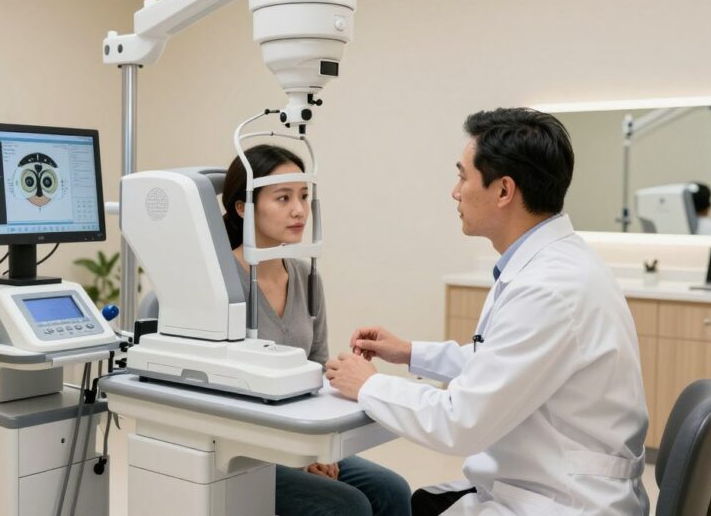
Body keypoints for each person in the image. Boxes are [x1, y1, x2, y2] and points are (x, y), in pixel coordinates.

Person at [324, 109, 650, 516]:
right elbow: (499, 363)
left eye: (463, 176)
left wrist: (368, 385)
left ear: (503, 191)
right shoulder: (552, 263)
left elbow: (460, 422)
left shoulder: (548, 288)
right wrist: (410, 352)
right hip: (545, 481)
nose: (455, 192)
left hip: (563, 501)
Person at [222, 144, 412, 516]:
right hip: (244, 446)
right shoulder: (221, 282)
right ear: (243, 208)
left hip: (298, 437)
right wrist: (294, 453)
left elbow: (316, 366)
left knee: (393, 490)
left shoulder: (307, 276)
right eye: (283, 198)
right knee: (348, 506)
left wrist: (315, 449)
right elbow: (224, 392)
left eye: (304, 196)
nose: (299, 210)